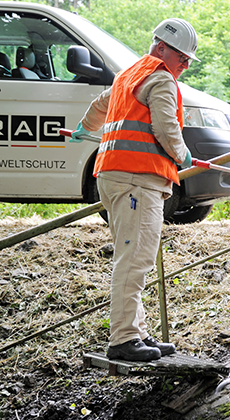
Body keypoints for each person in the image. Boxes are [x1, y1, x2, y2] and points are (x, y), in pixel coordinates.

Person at [73, 18, 199, 361]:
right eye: (182, 58)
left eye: (188, 61)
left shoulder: (128, 75)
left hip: (112, 177)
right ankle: (124, 338)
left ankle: (137, 333)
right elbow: (166, 127)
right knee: (135, 259)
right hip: (138, 180)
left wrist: (85, 129)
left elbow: (100, 105)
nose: (185, 66)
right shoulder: (160, 78)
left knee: (132, 254)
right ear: (161, 48)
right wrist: (181, 154)